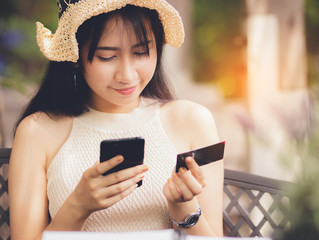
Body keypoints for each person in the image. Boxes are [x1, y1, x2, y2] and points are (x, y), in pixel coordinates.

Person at [8, 1, 224, 239]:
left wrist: (184, 207)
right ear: (75, 55)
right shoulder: (38, 131)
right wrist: (77, 206)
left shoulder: (192, 121)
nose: (127, 75)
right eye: (107, 56)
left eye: (141, 52)